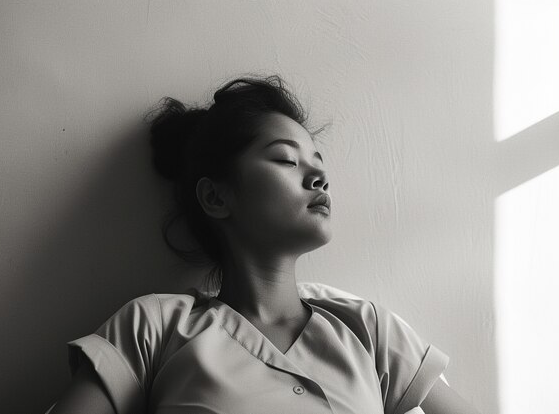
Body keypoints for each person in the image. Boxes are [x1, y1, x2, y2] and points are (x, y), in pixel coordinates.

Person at [47, 75, 481, 414]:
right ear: (216, 197)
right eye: (286, 159)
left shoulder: (368, 329)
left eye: (318, 163)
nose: (318, 178)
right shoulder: (153, 328)